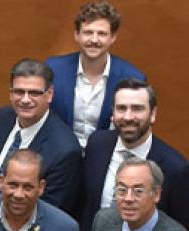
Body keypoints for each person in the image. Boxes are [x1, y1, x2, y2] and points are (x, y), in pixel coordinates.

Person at [81, 80, 189, 231]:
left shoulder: (175, 168)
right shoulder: (97, 144)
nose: (128, 117)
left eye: (137, 109)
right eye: (121, 108)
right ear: (112, 113)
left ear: (153, 114)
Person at [0, 59, 82, 214]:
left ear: (49, 94)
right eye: (19, 92)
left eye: (34, 93)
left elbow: (49, 211)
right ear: (11, 93)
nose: (25, 100)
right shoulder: (1, 119)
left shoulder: (65, 150)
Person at [46, 1, 145, 148]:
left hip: (106, 158)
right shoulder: (53, 69)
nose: (94, 40)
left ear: (113, 37)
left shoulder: (132, 78)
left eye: (102, 34)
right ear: (77, 35)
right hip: (59, 154)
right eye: (88, 32)